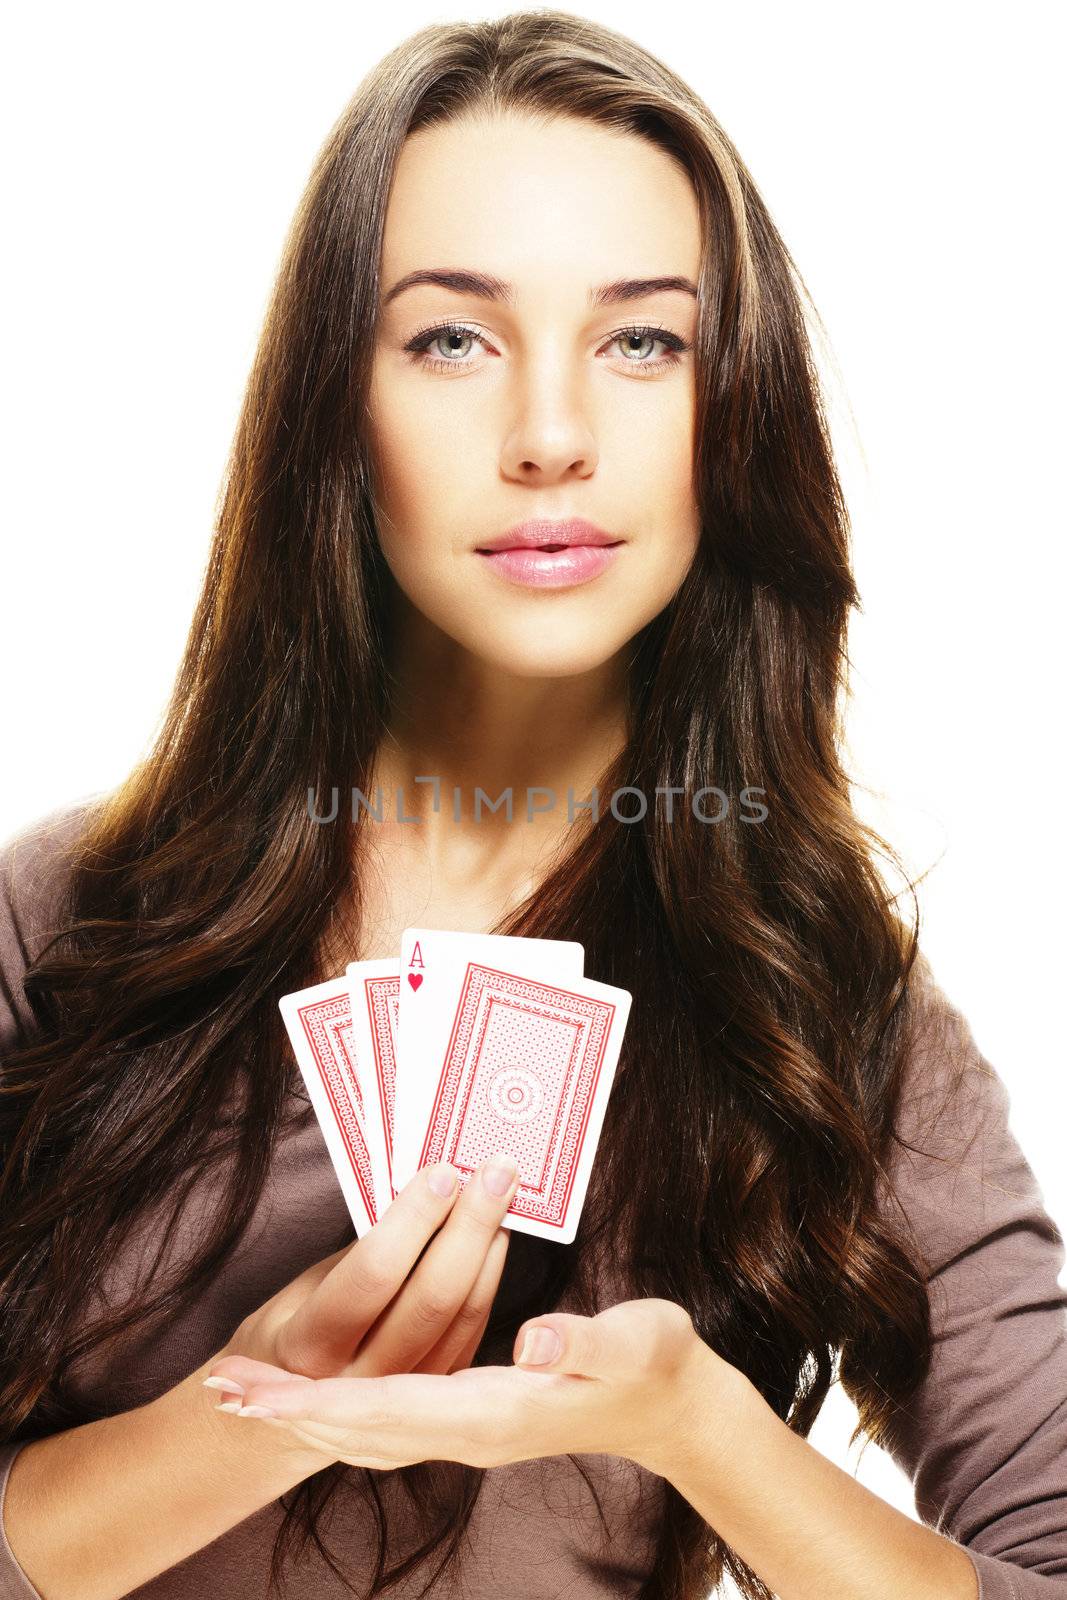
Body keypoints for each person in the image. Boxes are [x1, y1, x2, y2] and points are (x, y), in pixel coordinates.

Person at [1, 10, 1065, 1599]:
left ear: (735, 407)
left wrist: (703, 1431)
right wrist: (268, 1411)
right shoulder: (72, 916)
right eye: (452, 339)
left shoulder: (828, 1002)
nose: (552, 438)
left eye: (643, 340)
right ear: (334, 413)